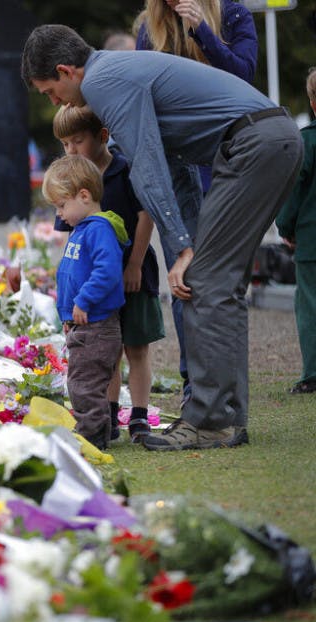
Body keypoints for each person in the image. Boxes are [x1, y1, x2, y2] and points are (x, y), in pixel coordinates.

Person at [21, 24, 302, 450]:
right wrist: (186, 240)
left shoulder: (101, 81)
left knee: (204, 280)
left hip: (252, 145)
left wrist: (185, 248)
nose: (54, 102)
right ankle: (226, 418)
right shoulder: (116, 70)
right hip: (265, 140)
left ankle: (211, 421)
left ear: (65, 70)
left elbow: (146, 166)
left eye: (49, 92)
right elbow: (178, 167)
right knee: (217, 283)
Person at [134, 0, 258, 406]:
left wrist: (203, 30)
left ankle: (227, 389)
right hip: (177, 171)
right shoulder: (149, 29)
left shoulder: (234, 15)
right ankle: (195, 388)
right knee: (184, 283)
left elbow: (244, 78)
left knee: (221, 285)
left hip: (228, 165)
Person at [52, 105, 165, 443]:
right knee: (107, 352)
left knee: (137, 347)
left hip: (133, 272)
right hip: (96, 287)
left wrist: (133, 264)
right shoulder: (72, 181)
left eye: (78, 141)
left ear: (101, 137)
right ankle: (110, 414)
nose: (71, 150)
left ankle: (140, 416)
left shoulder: (124, 170)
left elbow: (147, 216)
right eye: (65, 144)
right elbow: (72, 238)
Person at [43, 154, 126, 448]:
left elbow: (108, 271)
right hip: (83, 323)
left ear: (84, 195)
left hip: (97, 323)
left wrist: (84, 301)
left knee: (85, 384)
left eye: (62, 205)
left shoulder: (99, 229)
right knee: (81, 380)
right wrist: (68, 316)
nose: (60, 214)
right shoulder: (82, 229)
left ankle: (91, 435)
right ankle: (97, 432)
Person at [276, 67, 316, 395]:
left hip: (312, 239)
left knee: (310, 304)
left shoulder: (307, 141)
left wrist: (284, 226)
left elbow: (295, 189)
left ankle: (313, 373)